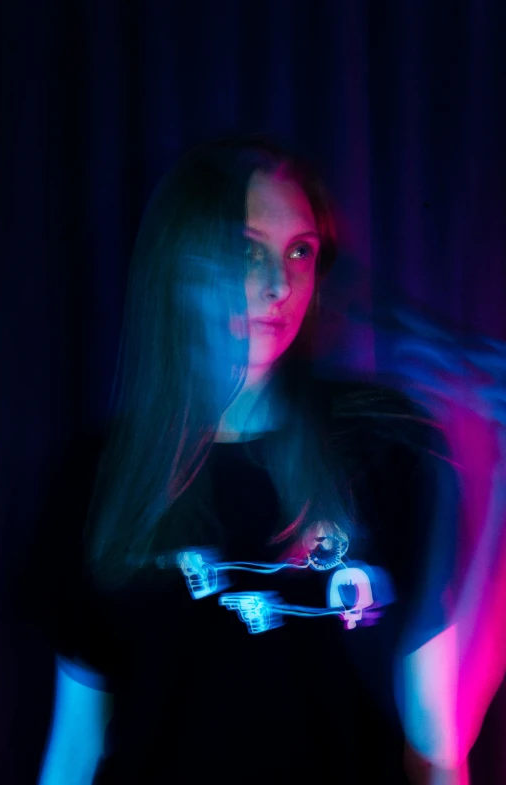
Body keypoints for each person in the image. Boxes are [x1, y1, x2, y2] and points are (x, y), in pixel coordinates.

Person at [32, 135, 463, 784]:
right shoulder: (97, 477)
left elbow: (435, 744)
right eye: (245, 251)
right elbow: (74, 749)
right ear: (181, 263)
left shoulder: (387, 450)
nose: (277, 284)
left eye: (300, 251)